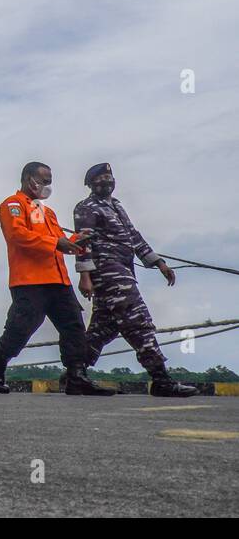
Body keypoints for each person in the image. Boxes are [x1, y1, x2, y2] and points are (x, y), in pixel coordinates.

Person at [0, 162, 114, 396]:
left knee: (73, 326)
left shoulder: (47, 212)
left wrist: (76, 239)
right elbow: (17, 235)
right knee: (22, 326)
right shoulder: (13, 205)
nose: (46, 185)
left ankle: (76, 376)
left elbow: (59, 242)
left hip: (58, 280)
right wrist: (57, 243)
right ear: (28, 178)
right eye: (43, 180)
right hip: (30, 280)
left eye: (49, 181)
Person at [72, 163, 196, 397]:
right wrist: (85, 276)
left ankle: (74, 374)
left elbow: (134, 236)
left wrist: (159, 262)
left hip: (124, 269)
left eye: (109, 176)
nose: (107, 181)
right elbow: (82, 242)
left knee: (103, 328)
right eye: (101, 178)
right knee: (138, 321)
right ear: (90, 184)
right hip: (109, 273)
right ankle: (161, 379)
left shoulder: (117, 206)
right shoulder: (86, 207)